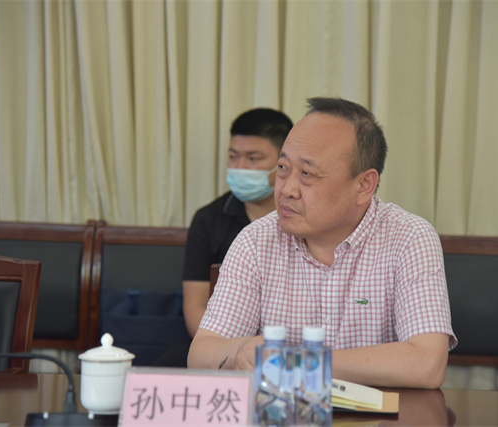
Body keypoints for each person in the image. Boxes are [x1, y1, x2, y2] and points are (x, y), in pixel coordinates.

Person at [188, 97, 457, 389]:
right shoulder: (256, 240)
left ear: (364, 185)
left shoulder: (409, 238)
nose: (287, 190)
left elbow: (427, 364)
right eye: (282, 168)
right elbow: (202, 352)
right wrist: (240, 352)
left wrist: (299, 363)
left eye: (307, 174)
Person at [182, 108, 293, 337]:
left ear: (284, 162)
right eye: (233, 157)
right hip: (223, 342)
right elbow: (195, 306)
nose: (240, 167)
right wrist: (226, 350)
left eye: (253, 158)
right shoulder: (207, 219)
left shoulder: (303, 217)